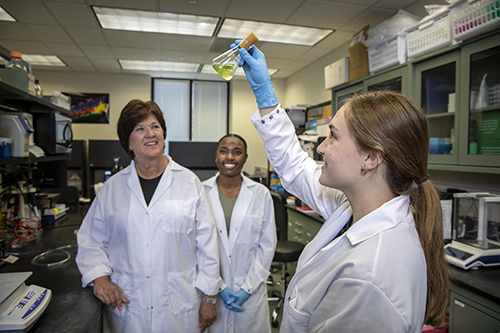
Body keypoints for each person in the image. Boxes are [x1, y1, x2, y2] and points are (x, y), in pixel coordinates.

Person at [234, 41, 450, 332]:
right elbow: (296, 167)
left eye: (333, 136)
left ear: (371, 158)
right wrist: (265, 94)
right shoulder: (353, 207)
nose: (321, 148)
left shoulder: (369, 276)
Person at [76, 99, 220, 333]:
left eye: (155, 126)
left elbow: (208, 246)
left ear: (163, 133)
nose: (150, 134)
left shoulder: (189, 183)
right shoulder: (112, 188)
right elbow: (91, 240)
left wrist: (210, 298)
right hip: (128, 307)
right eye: (139, 128)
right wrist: (99, 278)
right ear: (128, 142)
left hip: (178, 307)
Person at [202, 134, 277, 333]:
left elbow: (267, 246)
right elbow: (197, 247)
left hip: (251, 291)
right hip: (212, 292)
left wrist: (247, 288)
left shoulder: (261, 194)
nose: (230, 157)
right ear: (216, 156)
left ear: (245, 157)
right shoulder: (201, 192)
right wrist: (219, 287)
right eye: (223, 151)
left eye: (237, 152)